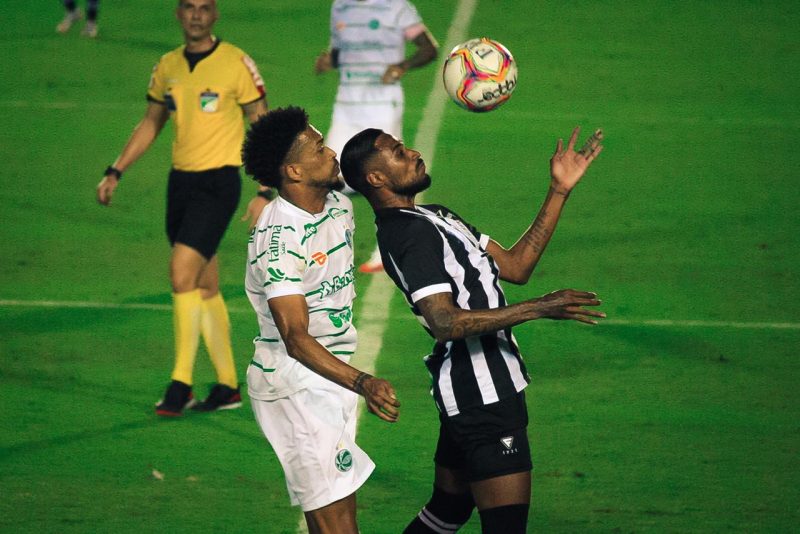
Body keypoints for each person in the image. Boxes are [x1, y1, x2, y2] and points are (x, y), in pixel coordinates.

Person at [340, 127, 605, 533]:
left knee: (448, 509)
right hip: (482, 397)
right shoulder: (409, 234)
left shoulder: (435, 215)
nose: (411, 152)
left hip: (476, 389)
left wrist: (558, 190)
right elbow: (444, 321)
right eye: (396, 151)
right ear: (375, 178)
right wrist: (539, 307)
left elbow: (516, 266)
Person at [95, 0, 271, 416]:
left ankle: (181, 382)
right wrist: (116, 170)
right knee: (205, 285)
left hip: (219, 182)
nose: (196, 14)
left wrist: (266, 188)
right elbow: (151, 121)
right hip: (182, 184)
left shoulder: (235, 63)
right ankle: (228, 386)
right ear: (178, 14)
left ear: (215, 15)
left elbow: (261, 123)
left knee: (180, 274)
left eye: (204, 8)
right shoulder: (167, 65)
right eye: (188, 7)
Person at [241, 106, 400, 534]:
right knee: (337, 527)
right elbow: (294, 336)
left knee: (338, 517)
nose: (331, 151)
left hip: (327, 377)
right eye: (318, 146)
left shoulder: (335, 205)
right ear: (293, 170)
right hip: (295, 385)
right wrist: (362, 381)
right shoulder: (278, 240)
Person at [314, 0, 439, 273]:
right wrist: (329, 60)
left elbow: (429, 48)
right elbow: (342, 51)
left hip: (383, 105)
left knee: (387, 182)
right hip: (346, 105)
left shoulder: (395, 6)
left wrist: (402, 65)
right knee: (326, 178)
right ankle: (326, 249)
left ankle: (390, 248)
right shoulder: (340, 6)